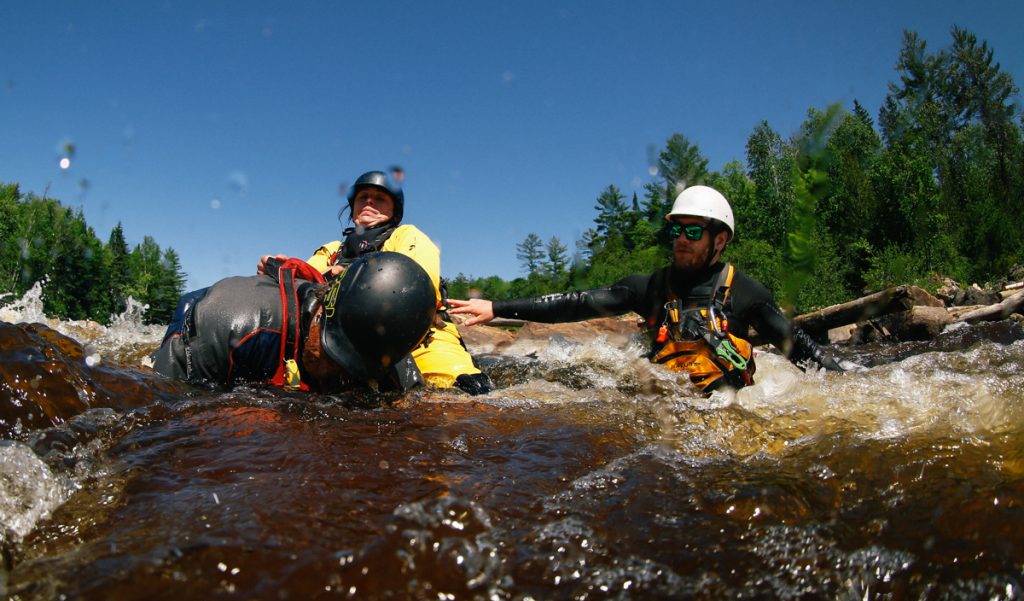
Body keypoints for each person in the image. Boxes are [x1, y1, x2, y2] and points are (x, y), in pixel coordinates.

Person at [448, 185, 844, 394]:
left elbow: (800, 349)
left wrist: (844, 381)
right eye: (676, 229)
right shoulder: (649, 288)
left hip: (728, 410)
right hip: (663, 407)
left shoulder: (746, 293)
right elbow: (577, 303)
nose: (682, 239)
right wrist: (497, 306)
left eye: (693, 231)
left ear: (720, 241)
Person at [257, 170, 491, 395]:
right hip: (339, 336)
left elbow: (415, 283)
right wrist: (281, 271)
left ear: (394, 210)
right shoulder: (332, 250)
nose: (369, 202)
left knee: (466, 389)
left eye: (379, 198)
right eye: (363, 198)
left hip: (419, 337)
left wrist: (344, 273)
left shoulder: (406, 235)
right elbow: (306, 280)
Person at [153, 252, 437, 392]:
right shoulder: (231, 323)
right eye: (331, 349)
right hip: (204, 318)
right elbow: (166, 420)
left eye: (353, 368)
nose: (334, 371)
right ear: (325, 306)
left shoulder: (385, 349)